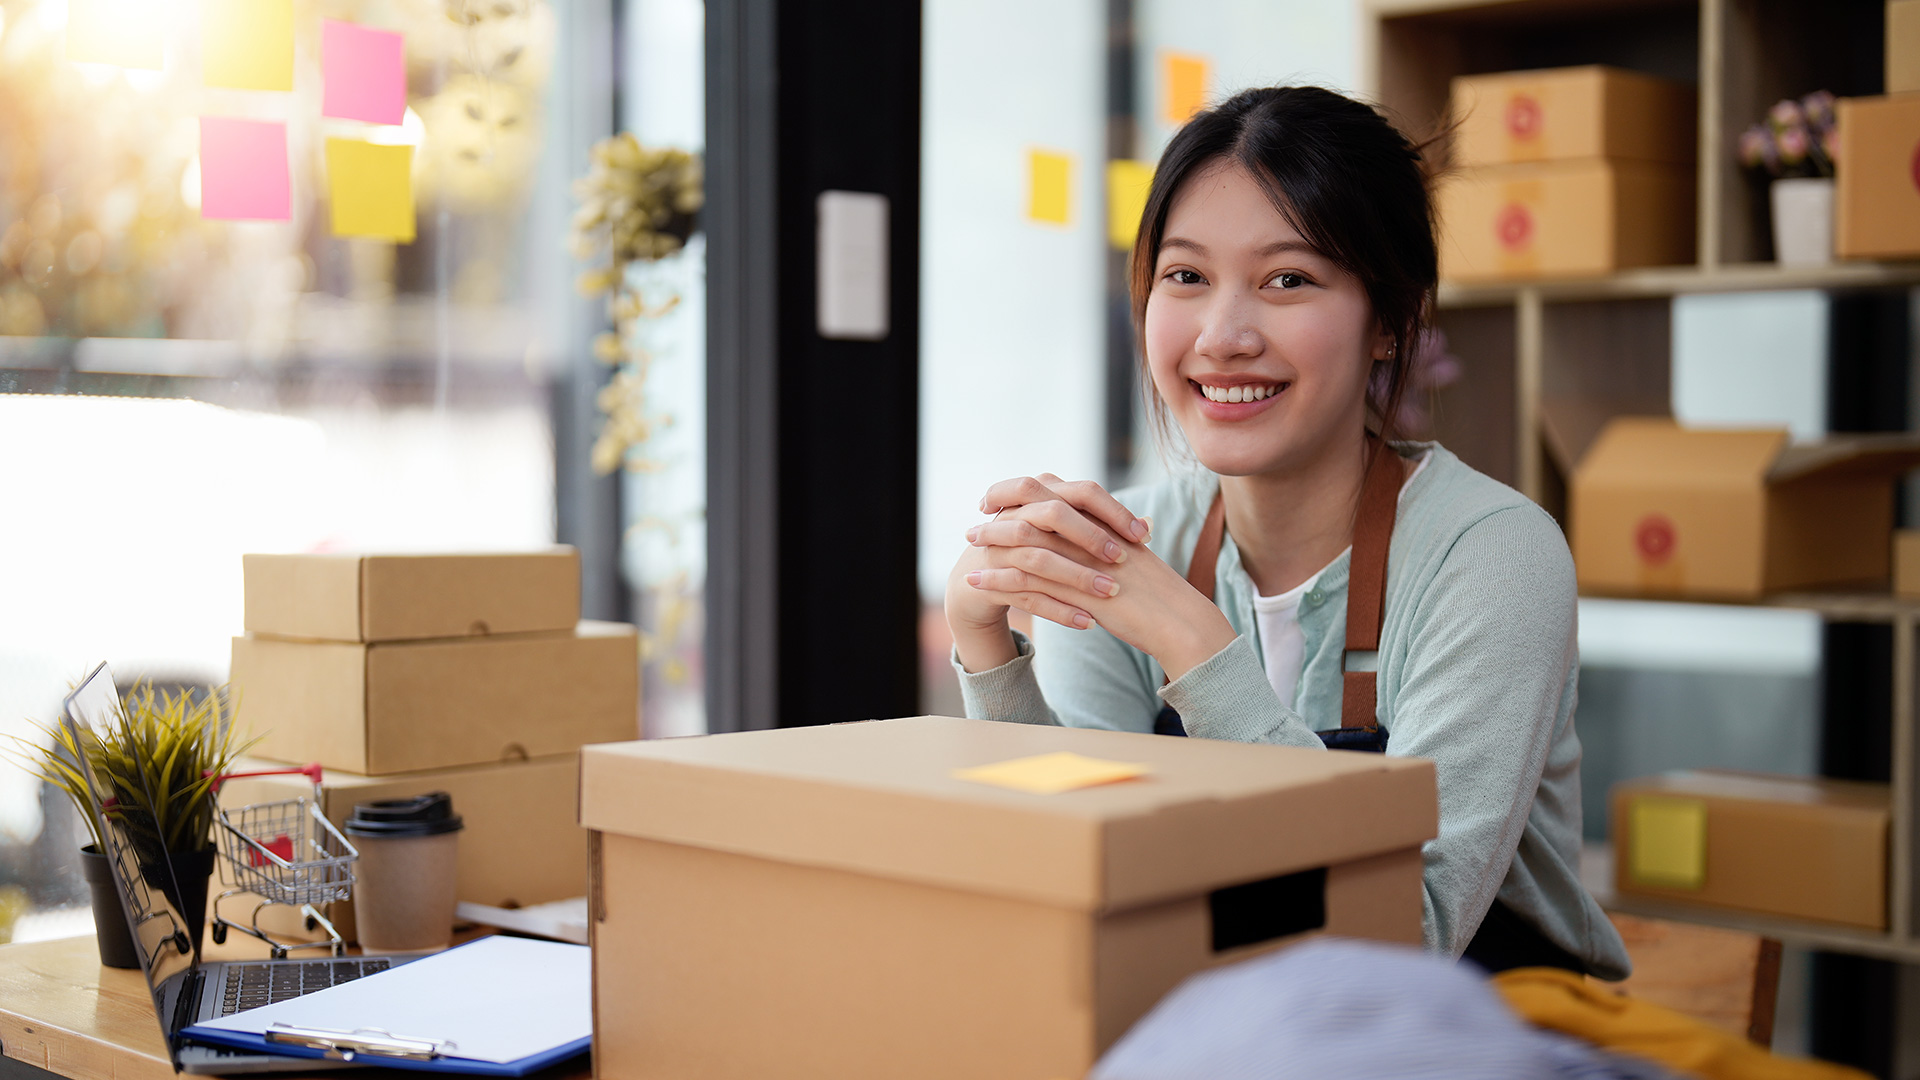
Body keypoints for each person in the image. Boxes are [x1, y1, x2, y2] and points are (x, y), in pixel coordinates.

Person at [943, 85, 1629, 978]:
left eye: (1288, 280)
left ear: (1389, 320)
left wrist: (1190, 639)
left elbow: (1409, 941)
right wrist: (985, 643)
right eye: (1185, 276)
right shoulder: (1135, 540)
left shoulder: (1493, 554)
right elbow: (1069, 876)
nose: (1223, 335)